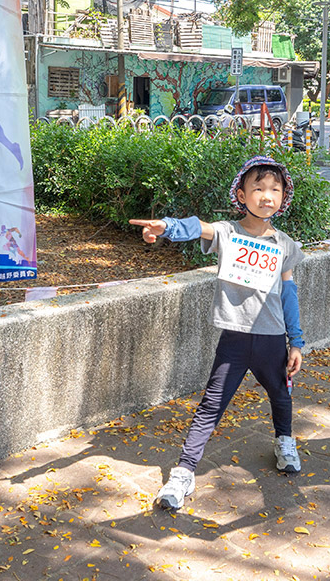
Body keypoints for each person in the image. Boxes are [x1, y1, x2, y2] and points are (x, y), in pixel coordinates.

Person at [129, 156, 306, 511]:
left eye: (275, 189)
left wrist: (296, 341)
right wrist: (166, 226)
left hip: (273, 339)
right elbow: (199, 227)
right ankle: (183, 472)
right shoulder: (229, 232)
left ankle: (285, 440)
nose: (266, 196)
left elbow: (289, 293)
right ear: (242, 194)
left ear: (284, 196)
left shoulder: (286, 244)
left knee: (281, 394)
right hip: (235, 340)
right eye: (258, 188)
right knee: (211, 406)